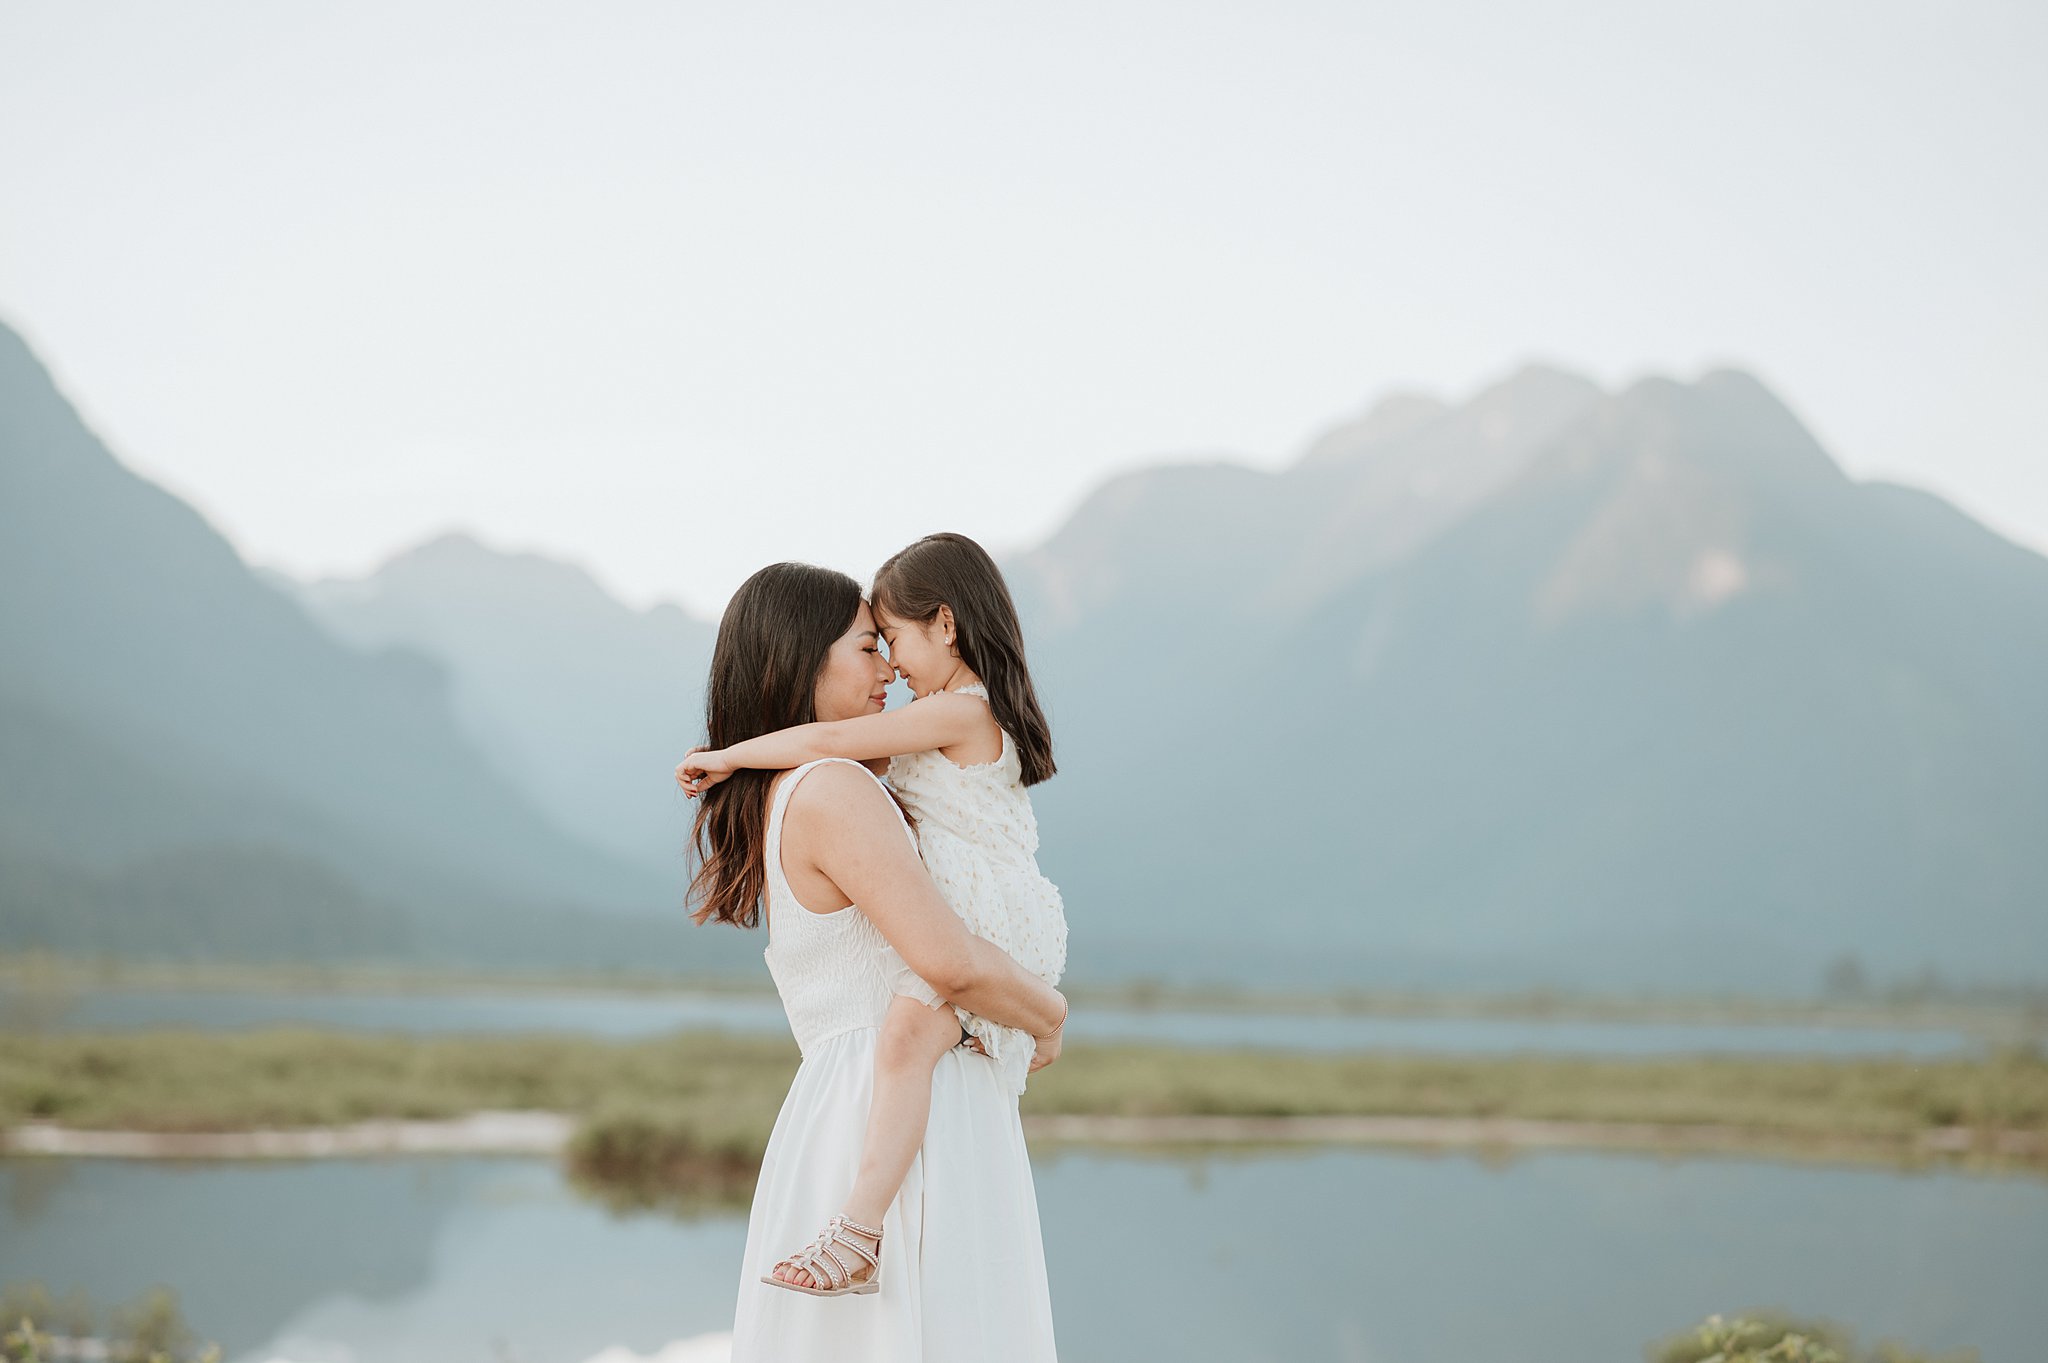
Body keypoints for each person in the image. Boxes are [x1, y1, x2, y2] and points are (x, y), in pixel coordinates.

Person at [684, 559, 1064, 1361]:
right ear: (800, 661)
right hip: (903, 1113)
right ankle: (859, 1232)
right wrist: (1049, 1011)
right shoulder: (834, 787)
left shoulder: (809, 787)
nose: (888, 665)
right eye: (868, 646)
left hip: (856, 1109)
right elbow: (947, 961)